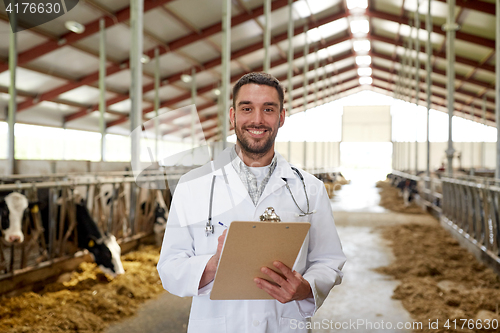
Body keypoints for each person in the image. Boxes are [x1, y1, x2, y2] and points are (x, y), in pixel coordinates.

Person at [157, 72, 346, 333]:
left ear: (281, 117)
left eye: (268, 109)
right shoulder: (194, 186)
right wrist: (214, 264)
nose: (257, 119)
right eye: (247, 108)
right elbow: (169, 267)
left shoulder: (309, 188)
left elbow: (329, 260)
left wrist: (306, 287)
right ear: (233, 116)